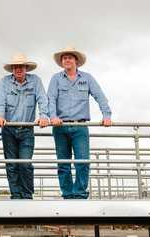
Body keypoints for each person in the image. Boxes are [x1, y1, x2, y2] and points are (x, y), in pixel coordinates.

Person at [47, 45, 112, 199]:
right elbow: (50, 99)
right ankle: (68, 194)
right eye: (64, 58)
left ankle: (80, 193)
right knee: (63, 164)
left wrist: (106, 115)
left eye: (70, 57)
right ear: (61, 62)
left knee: (82, 161)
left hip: (80, 126)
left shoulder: (87, 78)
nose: (67, 60)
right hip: (60, 126)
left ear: (76, 60)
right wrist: (52, 116)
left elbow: (100, 96)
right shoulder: (56, 78)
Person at [0, 53, 49, 199]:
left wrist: (43, 116)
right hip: (8, 129)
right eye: (15, 66)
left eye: (21, 66)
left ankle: (27, 195)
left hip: (27, 129)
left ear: (26, 68)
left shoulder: (35, 81)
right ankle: (15, 195)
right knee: (11, 165)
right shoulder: (4, 82)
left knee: (25, 163)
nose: (18, 69)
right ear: (12, 69)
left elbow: (43, 99)